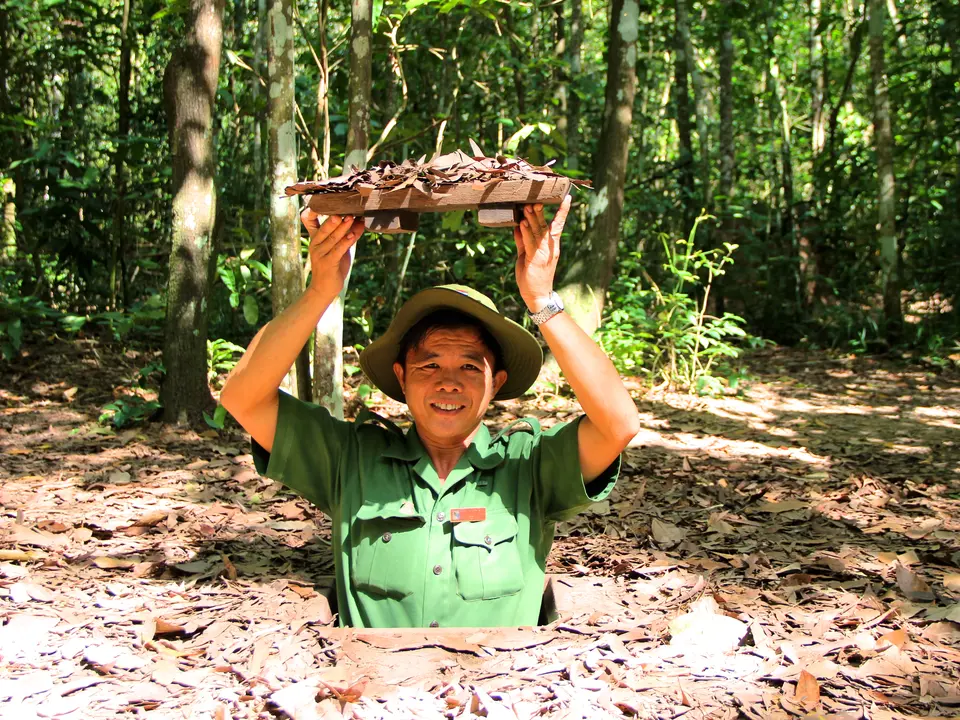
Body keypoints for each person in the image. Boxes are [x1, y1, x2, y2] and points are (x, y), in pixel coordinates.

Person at [220, 196, 640, 628]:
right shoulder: (350, 460)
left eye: (470, 367)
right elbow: (244, 399)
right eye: (429, 366)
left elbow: (618, 425)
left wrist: (543, 301)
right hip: (370, 672)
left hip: (502, 671)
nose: (448, 382)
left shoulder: (528, 466)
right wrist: (320, 291)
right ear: (401, 377)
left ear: (496, 383)